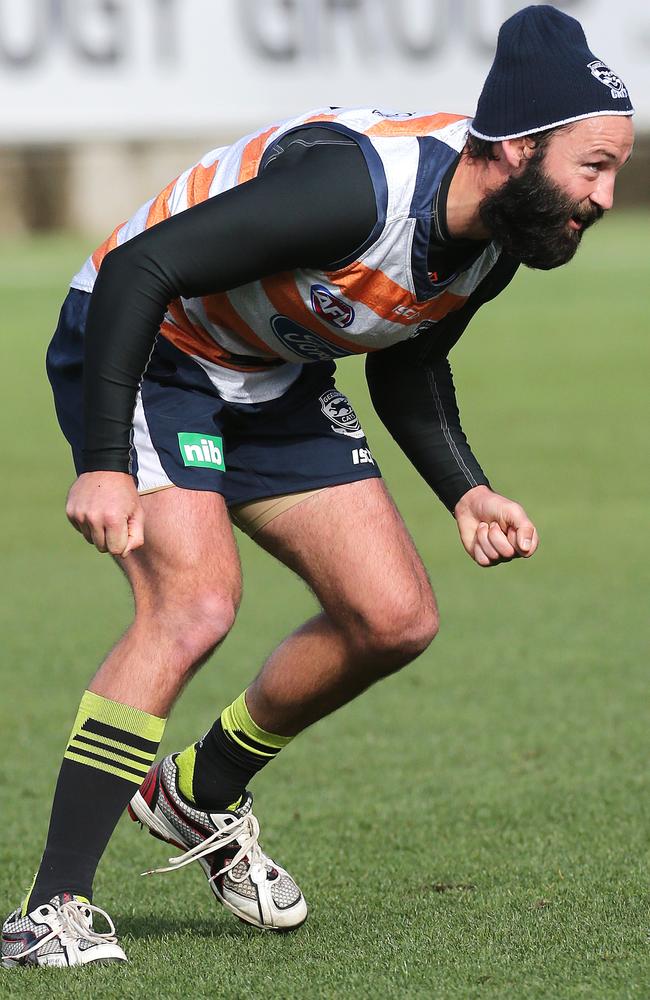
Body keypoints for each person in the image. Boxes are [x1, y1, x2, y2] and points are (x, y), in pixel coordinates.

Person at [2, 5, 634, 968]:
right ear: (512, 149)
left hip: (272, 373)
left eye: (617, 169)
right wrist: (103, 460)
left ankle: (199, 791)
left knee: (394, 617)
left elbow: (409, 365)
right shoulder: (356, 189)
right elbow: (140, 268)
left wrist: (467, 489)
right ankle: (49, 913)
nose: (606, 194)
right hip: (149, 348)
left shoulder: (496, 241)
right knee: (195, 603)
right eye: (593, 166)